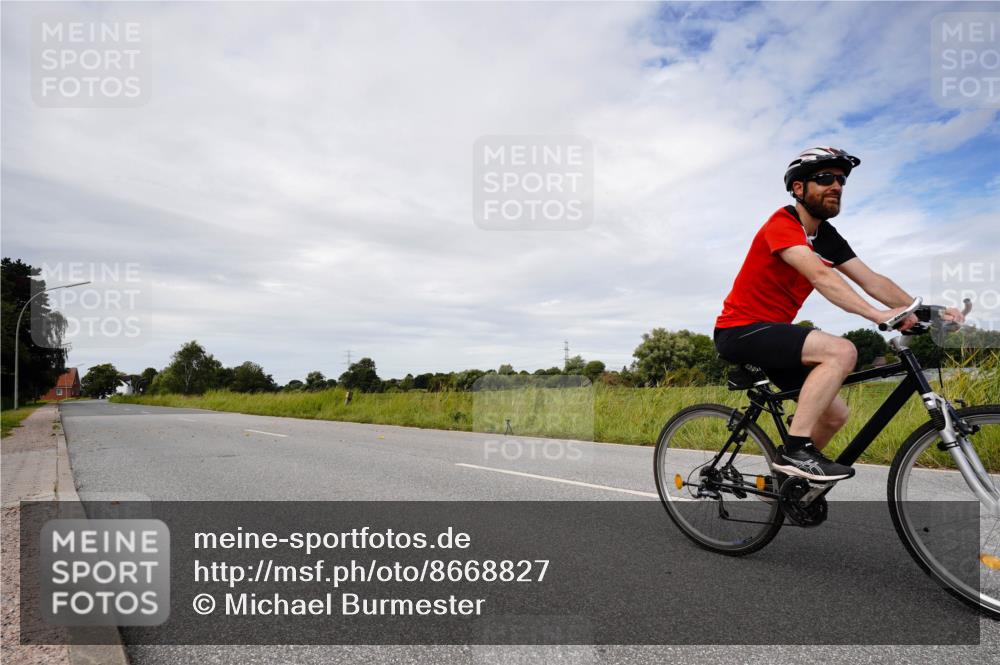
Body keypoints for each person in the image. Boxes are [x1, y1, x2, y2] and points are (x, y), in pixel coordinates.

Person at [713, 147, 964, 481]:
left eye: (841, 180)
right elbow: (821, 277)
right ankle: (795, 450)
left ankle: (789, 487)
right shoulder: (782, 224)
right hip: (740, 331)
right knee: (842, 350)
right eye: (825, 178)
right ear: (798, 189)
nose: (836, 185)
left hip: (774, 336)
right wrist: (875, 314)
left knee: (833, 416)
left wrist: (922, 310)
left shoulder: (827, 237)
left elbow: (872, 280)